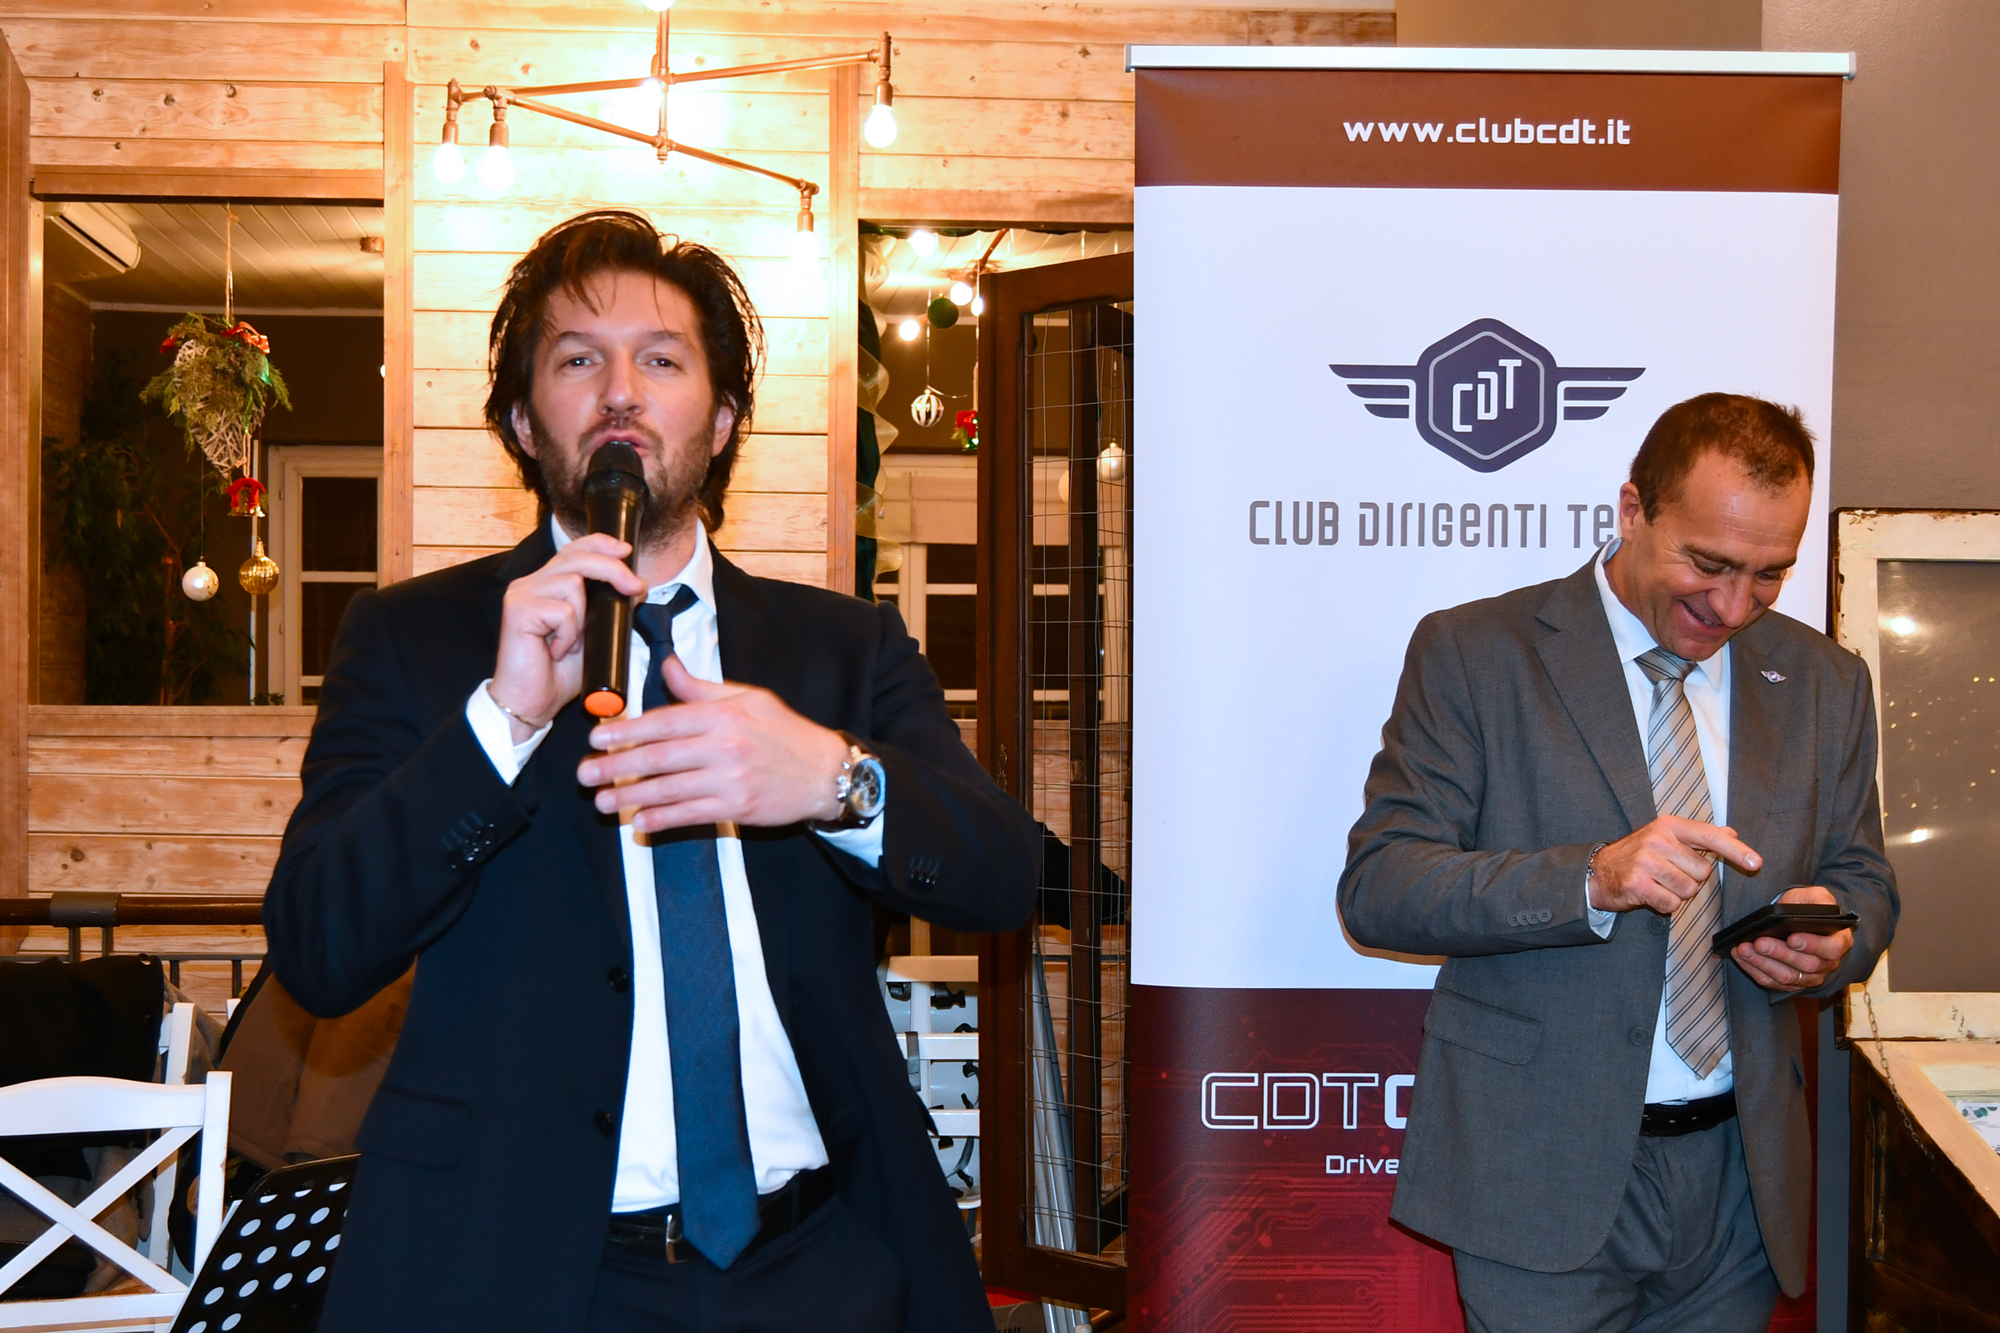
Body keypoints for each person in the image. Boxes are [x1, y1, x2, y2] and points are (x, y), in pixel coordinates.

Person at [263, 209, 1038, 1333]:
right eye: (578, 360)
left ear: (720, 422)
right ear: (524, 421)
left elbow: (1004, 874)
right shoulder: (413, 640)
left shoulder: (842, 648)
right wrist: (499, 724)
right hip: (522, 1279)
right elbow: (319, 949)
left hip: (820, 1263)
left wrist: (835, 779)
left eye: (662, 361)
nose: (620, 391)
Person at [1338, 394, 1898, 1332]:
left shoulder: (1824, 680)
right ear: (1633, 509)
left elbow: (1866, 879)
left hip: (1740, 1186)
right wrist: (1590, 879)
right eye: (1708, 564)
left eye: (1769, 574)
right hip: (1537, 1171)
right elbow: (1382, 885)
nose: (1733, 606)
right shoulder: (1476, 653)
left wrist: (1832, 940)